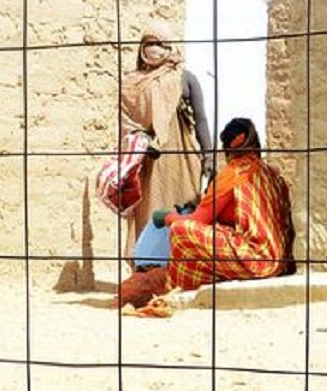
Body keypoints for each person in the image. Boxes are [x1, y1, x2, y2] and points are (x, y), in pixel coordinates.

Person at [116, 117, 295, 310]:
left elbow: (197, 220)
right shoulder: (274, 176)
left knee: (181, 231)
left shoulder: (233, 173)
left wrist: (166, 217)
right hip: (280, 261)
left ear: (227, 150)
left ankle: (172, 282)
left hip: (256, 259)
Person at [117, 29, 212, 267]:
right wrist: (142, 139)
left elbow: (201, 119)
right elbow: (126, 122)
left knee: (183, 212)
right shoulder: (131, 84)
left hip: (182, 161)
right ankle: (148, 272)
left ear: (170, 47)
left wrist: (209, 156)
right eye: (151, 43)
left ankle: (184, 270)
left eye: (162, 43)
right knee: (150, 216)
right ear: (142, 48)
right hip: (149, 164)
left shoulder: (184, 78)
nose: (156, 48)